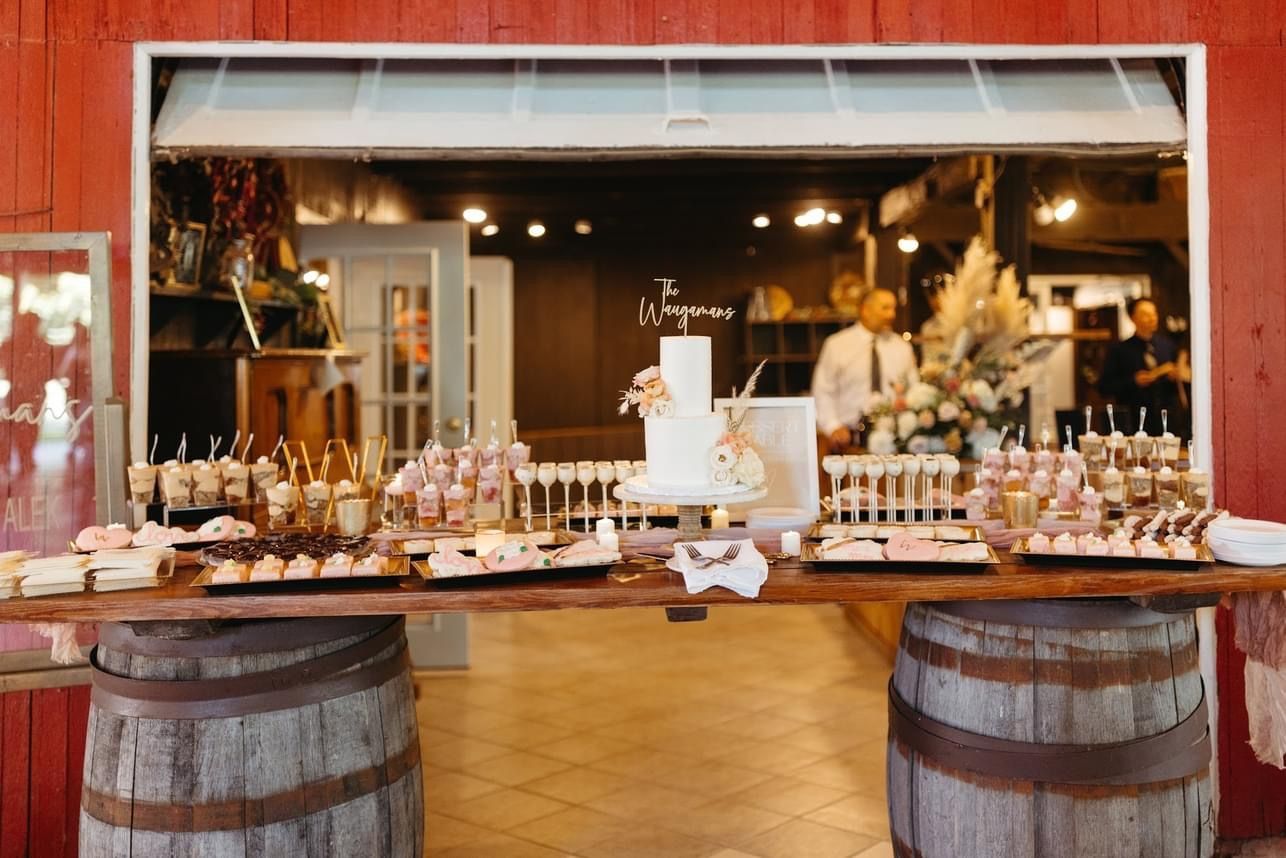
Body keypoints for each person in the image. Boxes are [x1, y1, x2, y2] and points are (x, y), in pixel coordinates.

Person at [813, 287, 919, 453]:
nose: (891, 315)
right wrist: (833, 426)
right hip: (848, 440)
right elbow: (823, 390)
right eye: (885, 308)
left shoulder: (902, 347)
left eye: (893, 309)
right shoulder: (837, 345)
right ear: (865, 310)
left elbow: (914, 390)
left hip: (893, 442)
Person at [1098, 298, 1190, 434]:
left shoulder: (1168, 346)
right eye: (1146, 314)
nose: (1152, 318)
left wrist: (1174, 377)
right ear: (1133, 318)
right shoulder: (1120, 350)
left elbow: (1181, 385)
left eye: (1154, 313)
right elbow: (1104, 387)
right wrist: (1133, 381)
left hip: (1167, 420)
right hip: (1133, 421)